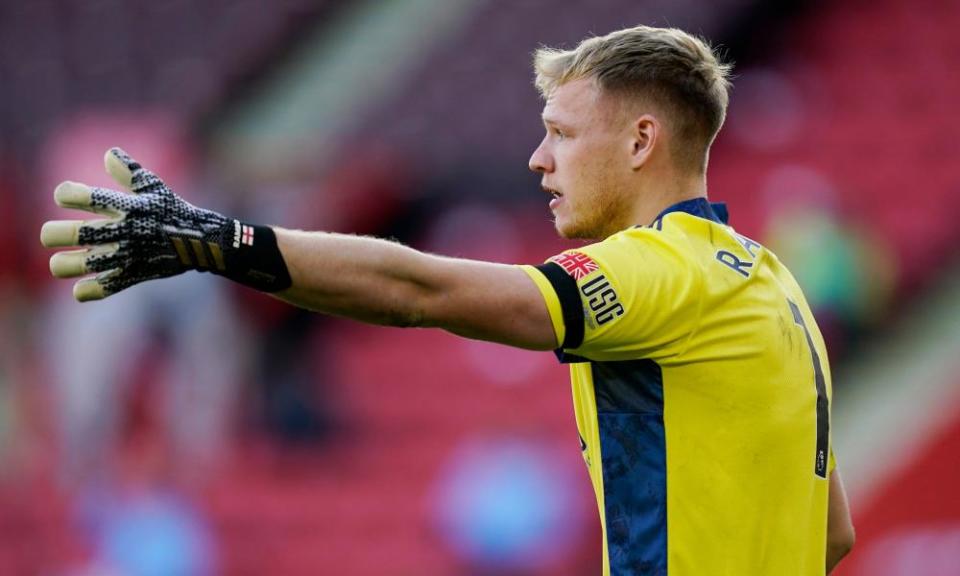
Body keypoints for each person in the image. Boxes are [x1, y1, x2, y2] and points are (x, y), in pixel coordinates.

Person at [40, 25, 854, 576]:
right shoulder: (772, 284)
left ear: (642, 142)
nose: (539, 159)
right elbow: (831, 532)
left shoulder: (659, 272)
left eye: (564, 134)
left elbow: (419, 290)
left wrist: (220, 244)